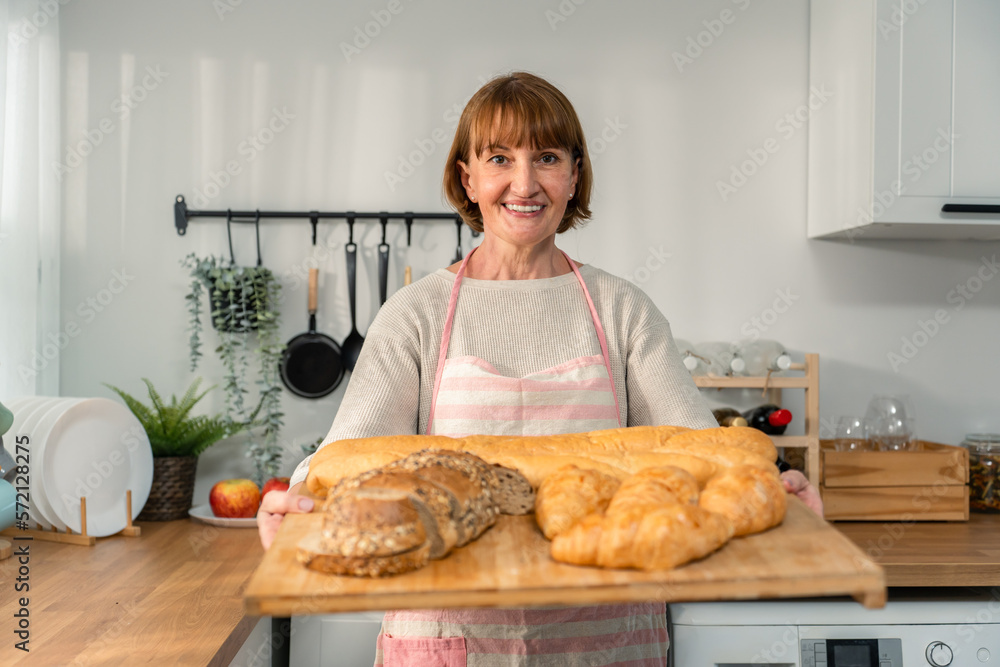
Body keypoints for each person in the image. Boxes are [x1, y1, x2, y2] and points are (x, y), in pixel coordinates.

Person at [258, 71, 822, 666]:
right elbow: (351, 456)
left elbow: (697, 451)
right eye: (499, 158)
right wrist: (297, 502)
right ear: (466, 177)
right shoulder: (415, 314)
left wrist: (774, 487)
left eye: (547, 157)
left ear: (574, 175)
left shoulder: (621, 309)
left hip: (607, 639)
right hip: (451, 639)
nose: (523, 183)